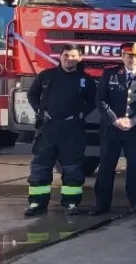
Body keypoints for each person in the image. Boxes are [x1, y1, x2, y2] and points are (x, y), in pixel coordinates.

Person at [24, 44, 96, 216]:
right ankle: (37, 203)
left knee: (72, 168)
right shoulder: (46, 76)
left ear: (80, 58)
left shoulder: (86, 80)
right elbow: (32, 94)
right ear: (60, 56)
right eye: (65, 55)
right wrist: (40, 111)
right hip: (47, 129)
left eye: (72, 56)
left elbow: (93, 101)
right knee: (40, 167)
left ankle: (71, 203)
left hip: (72, 130)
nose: (68, 59)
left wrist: (81, 115)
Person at [91, 42, 136, 216]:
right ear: (122, 56)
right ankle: (101, 204)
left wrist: (133, 121)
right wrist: (115, 120)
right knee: (106, 167)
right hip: (111, 129)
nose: (132, 59)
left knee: (135, 166)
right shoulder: (109, 74)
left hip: (135, 130)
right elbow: (100, 100)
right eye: (129, 56)